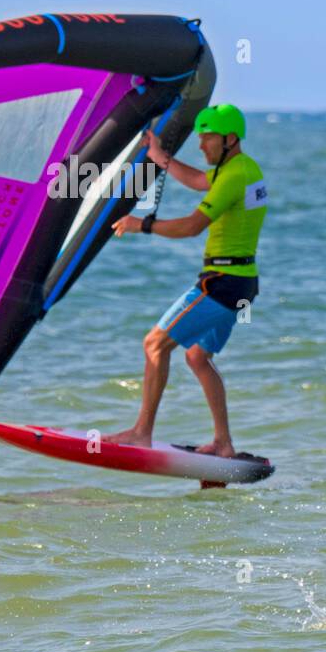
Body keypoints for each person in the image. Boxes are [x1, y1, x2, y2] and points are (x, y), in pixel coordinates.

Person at [106, 104, 268, 458]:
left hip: (221, 282)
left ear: (228, 139)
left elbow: (193, 226)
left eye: (206, 138)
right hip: (242, 282)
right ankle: (223, 443)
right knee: (197, 358)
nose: (200, 145)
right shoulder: (241, 168)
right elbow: (198, 180)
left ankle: (141, 432)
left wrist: (141, 224)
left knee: (154, 344)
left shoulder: (234, 176)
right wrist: (159, 156)